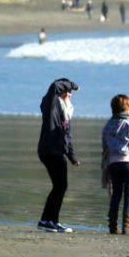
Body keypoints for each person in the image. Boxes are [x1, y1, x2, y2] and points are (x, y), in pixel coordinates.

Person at [37, 78, 80, 233]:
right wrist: (74, 86)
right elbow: (55, 85)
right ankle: (49, 221)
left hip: (57, 151)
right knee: (60, 186)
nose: (70, 95)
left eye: (71, 93)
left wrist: (72, 157)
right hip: (49, 151)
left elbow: (67, 137)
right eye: (68, 92)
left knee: (59, 186)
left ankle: (48, 220)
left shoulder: (65, 113)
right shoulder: (52, 104)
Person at [101, 93, 129, 235]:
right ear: (128, 108)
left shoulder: (108, 124)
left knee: (116, 194)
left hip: (113, 162)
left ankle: (113, 226)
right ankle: (127, 227)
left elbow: (104, 146)